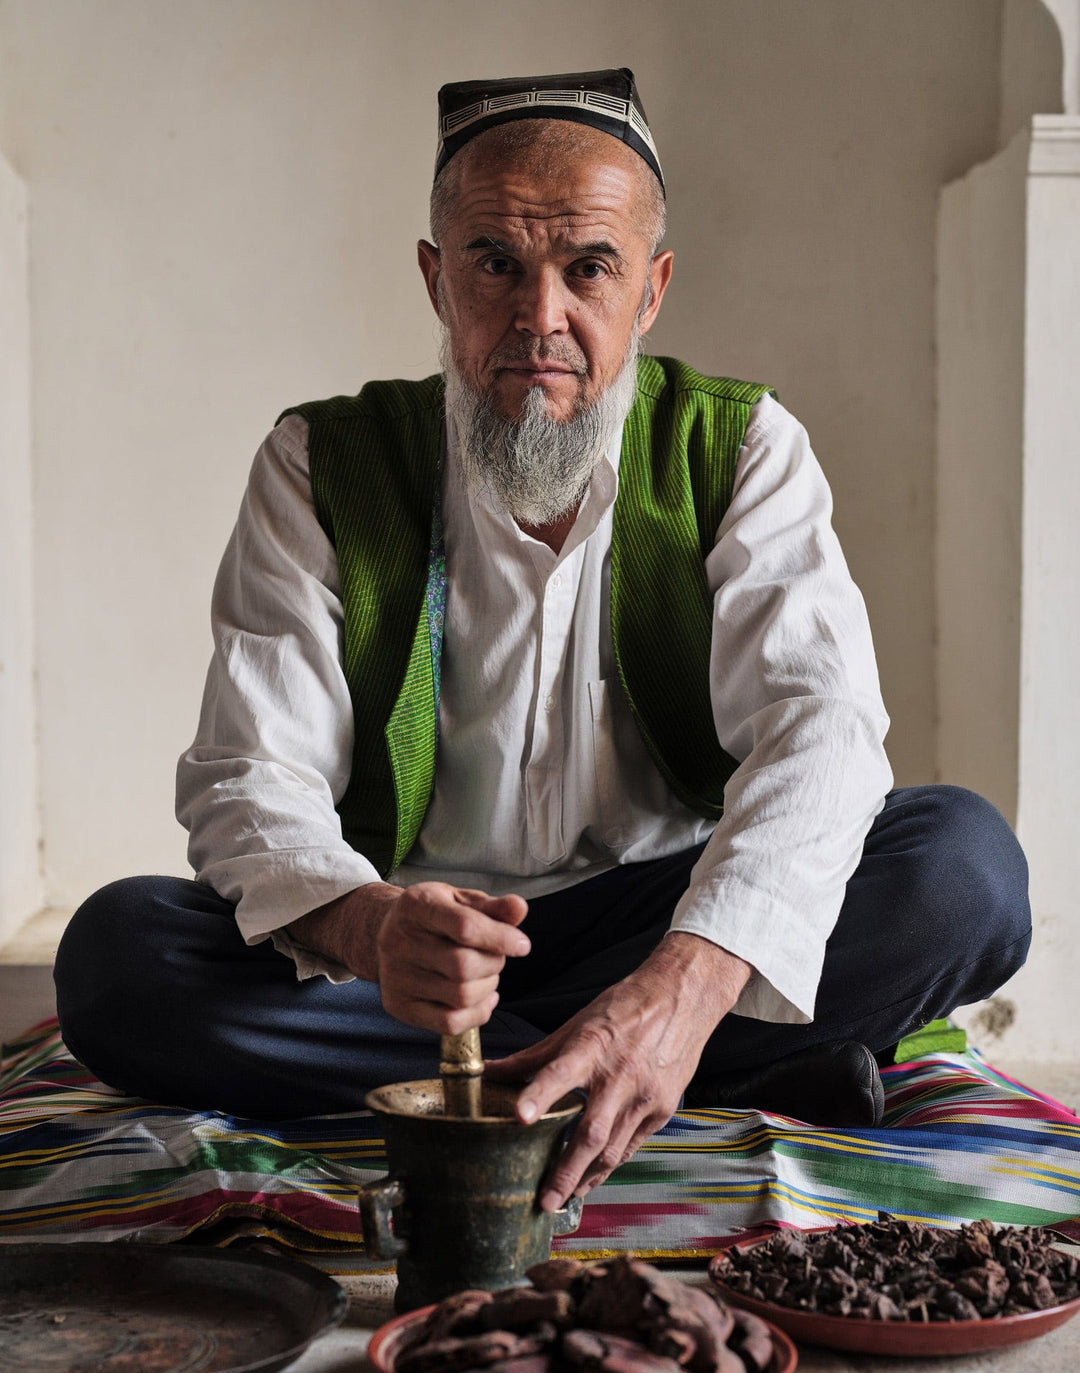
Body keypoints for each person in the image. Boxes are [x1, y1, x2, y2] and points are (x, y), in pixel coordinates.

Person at [55, 69, 1031, 1216]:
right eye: (495, 264)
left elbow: (821, 736)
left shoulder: (743, 450)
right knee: (121, 956)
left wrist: (680, 983)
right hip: (412, 967)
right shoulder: (322, 464)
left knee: (965, 868)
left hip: (660, 923)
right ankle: (721, 1078)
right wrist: (368, 927)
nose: (540, 318)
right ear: (435, 277)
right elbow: (248, 775)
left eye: (589, 269)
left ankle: (585, 1069)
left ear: (651, 291)